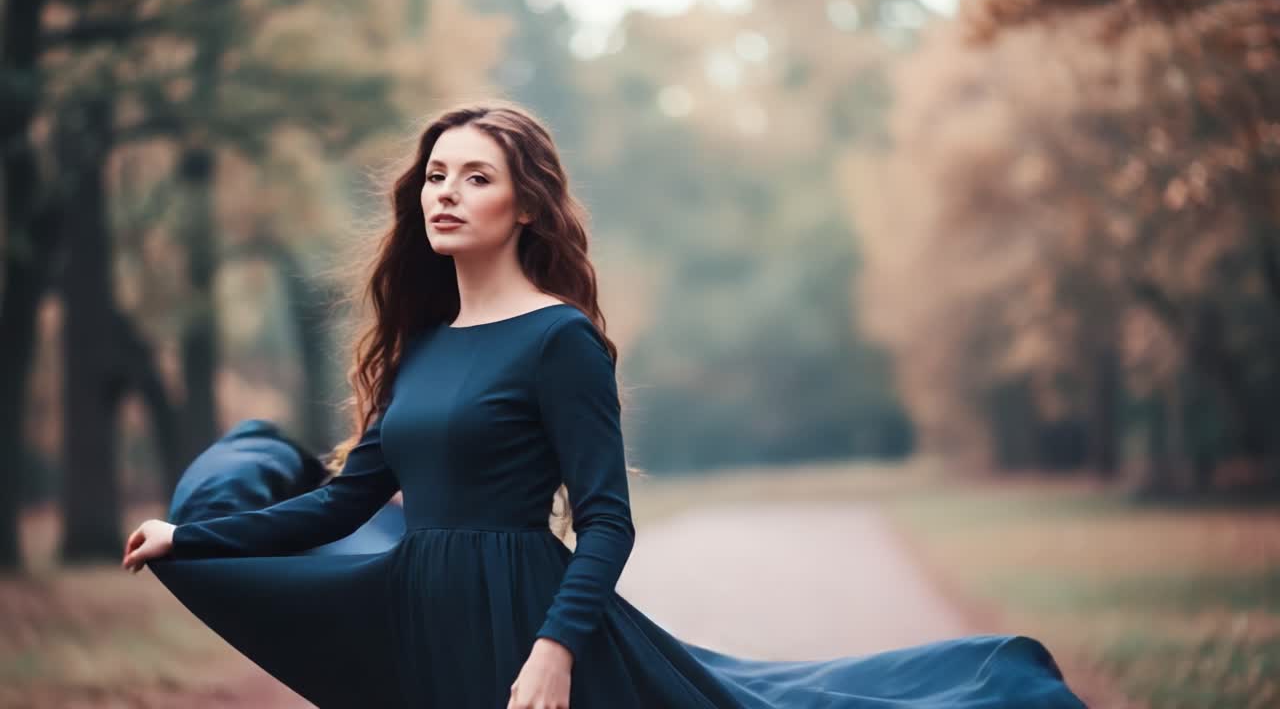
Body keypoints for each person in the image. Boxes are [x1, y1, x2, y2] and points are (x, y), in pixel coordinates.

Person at [122, 100, 1087, 709]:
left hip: (524, 624)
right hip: (425, 623)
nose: (444, 193)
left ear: (527, 207)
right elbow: (341, 503)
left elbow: (607, 522)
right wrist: (190, 538)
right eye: (436, 176)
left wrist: (553, 653)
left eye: (476, 177)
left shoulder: (559, 341)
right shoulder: (418, 347)